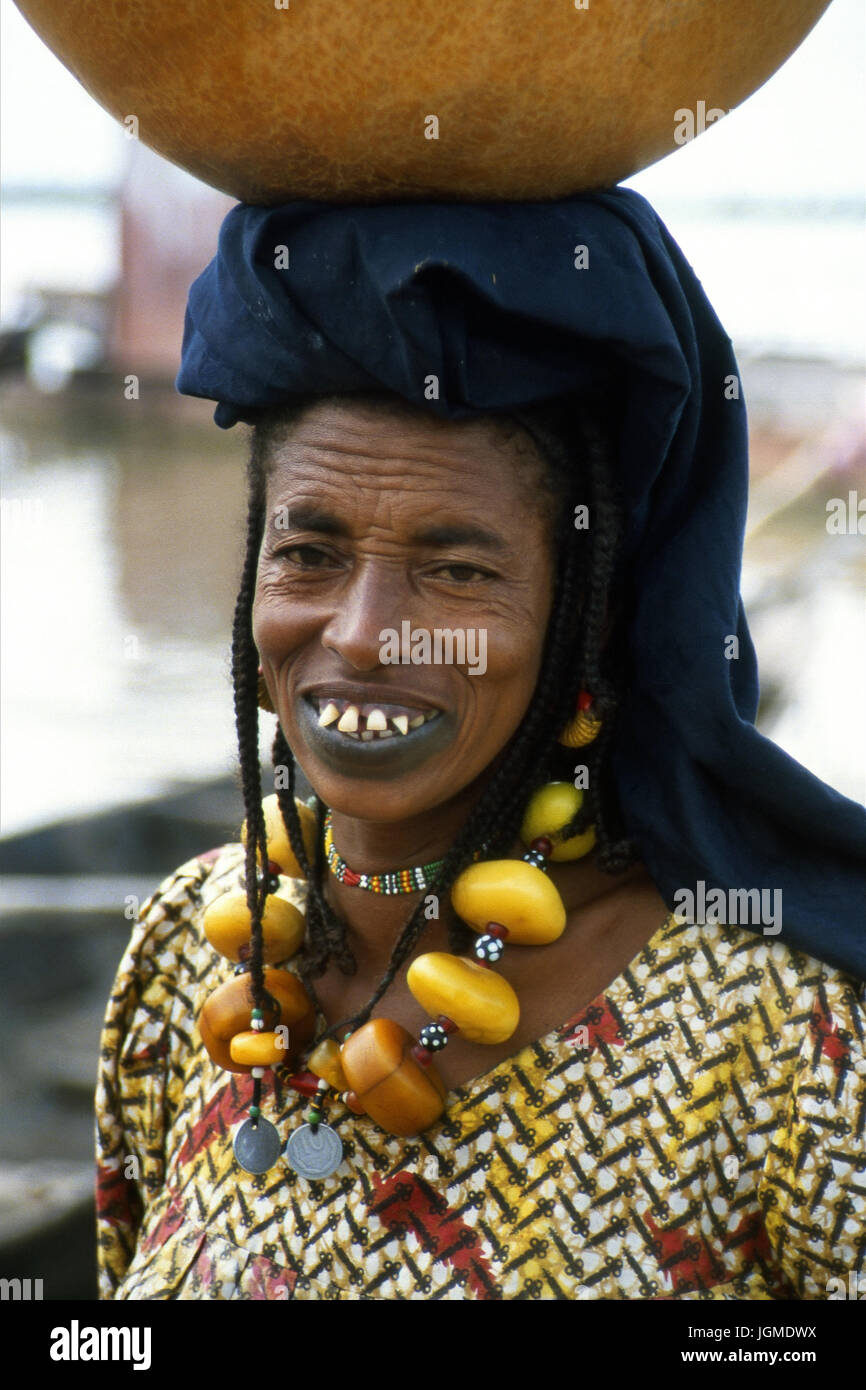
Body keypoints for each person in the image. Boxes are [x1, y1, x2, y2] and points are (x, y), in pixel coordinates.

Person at [95, 189, 866, 1300]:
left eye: (456, 571)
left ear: (586, 617)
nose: (359, 634)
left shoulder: (781, 1046)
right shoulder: (189, 952)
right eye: (307, 551)